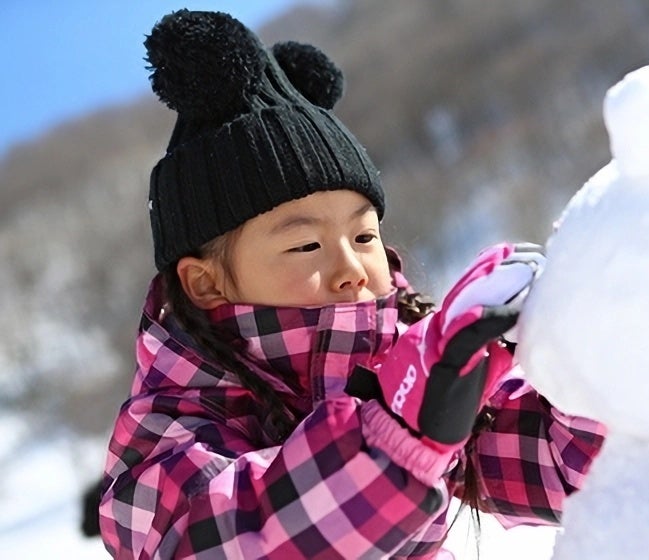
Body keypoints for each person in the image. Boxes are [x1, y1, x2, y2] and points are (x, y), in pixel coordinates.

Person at [98, 9, 606, 559]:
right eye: (306, 246)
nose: (352, 268)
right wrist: (397, 435)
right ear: (205, 283)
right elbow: (227, 541)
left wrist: (598, 337)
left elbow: (567, 467)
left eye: (364, 237)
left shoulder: (399, 360)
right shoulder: (171, 425)